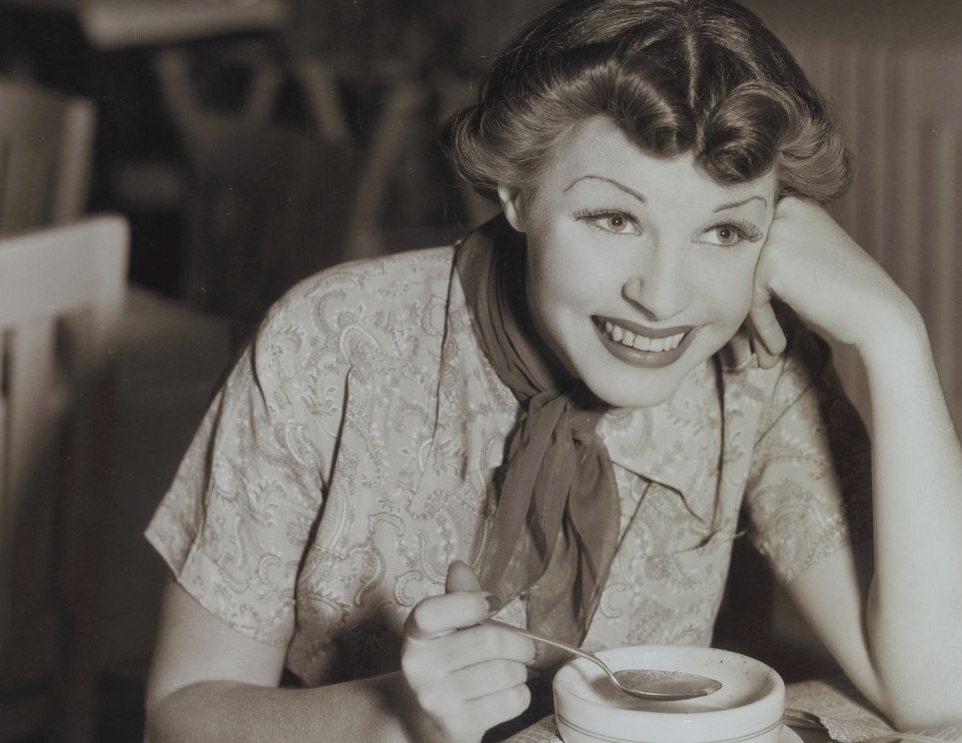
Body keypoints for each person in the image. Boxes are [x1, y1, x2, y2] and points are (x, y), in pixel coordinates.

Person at [141, 1, 962, 740]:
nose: (662, 297)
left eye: (723, 233)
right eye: (613, 217)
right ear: (515, 192)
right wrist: (393, 717)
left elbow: (940, 694)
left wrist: (893, 337)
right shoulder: (329, 340)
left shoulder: (758, 365)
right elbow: (180, 712)